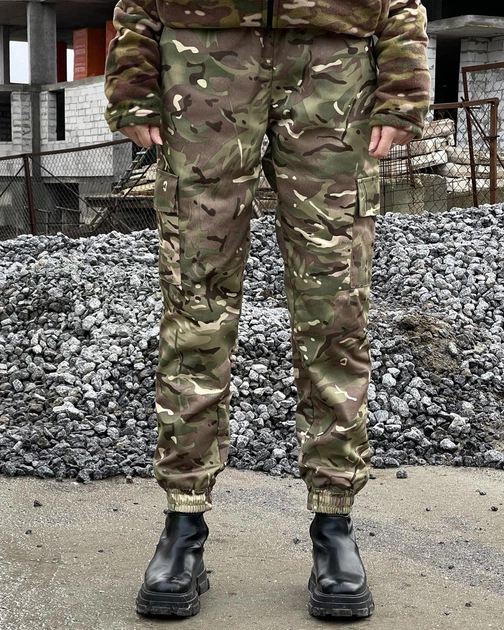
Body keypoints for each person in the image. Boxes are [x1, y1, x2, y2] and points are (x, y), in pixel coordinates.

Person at [104, 0, 431, 619]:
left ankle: (334, 525)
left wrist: (404, 86)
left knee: (335, 311)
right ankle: (182, 524)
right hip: (203, 56)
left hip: (334, 63)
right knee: (195, 305)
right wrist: (132, 78)